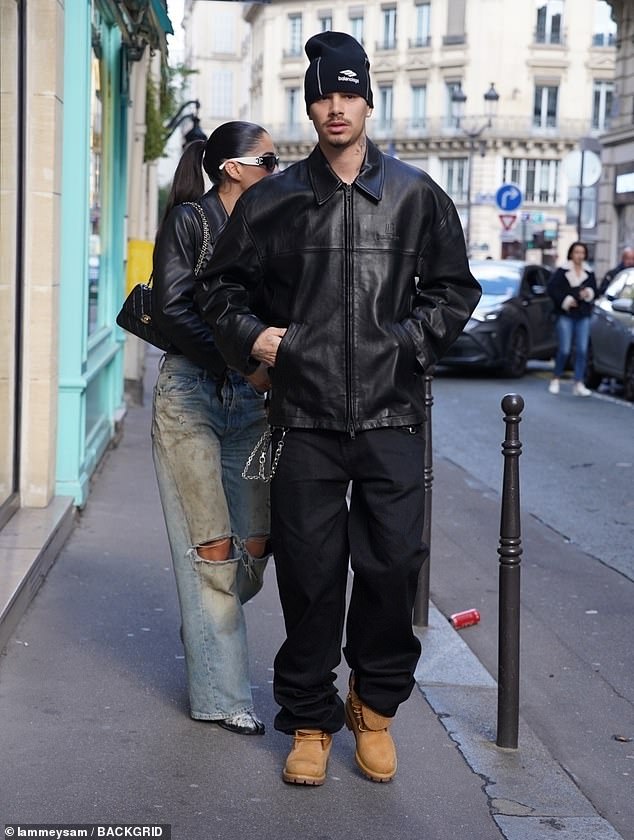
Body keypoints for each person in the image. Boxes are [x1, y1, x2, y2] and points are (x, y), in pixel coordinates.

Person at [195, 31, 481, 784]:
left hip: (391, 417)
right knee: (312, 575)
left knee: (392, 567)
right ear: (310, 105)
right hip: (305, 418)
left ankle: (374, 706)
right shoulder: (277, 199)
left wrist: (406, 345)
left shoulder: (417, 195)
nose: (334, 107)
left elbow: (456, 292)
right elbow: (219, 292)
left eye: (347, 93)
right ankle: (311, 719)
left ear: (368, 100)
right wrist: (257, 339)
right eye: (321, 95)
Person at [151, 121, 280, 735]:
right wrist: (241, 362)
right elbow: (173, 308)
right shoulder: (188, 222)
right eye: (269, 159)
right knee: (212, 549)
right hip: (191, 399)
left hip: (253, 405)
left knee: (255, 544)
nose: (277, 169)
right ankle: (224, 696)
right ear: (233, 168)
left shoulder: (271, 225)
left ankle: (208, 620)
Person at [546, 241, 597, 397]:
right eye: (576, 252)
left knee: (582, 350)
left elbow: (596, 289)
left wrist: (588, 293)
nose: (579, 255)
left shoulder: (589, 272)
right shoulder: (562, 271)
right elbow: (552, 289)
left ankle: (578, 382)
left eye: (582, 252)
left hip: (583, 314)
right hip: (566, 315)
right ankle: (555, 378)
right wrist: (566, 300)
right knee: (565, 349)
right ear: (571, 253)